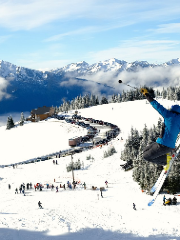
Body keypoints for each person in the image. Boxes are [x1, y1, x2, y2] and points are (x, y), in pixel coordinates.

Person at [141, 88, 180, 170]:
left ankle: (166, 161)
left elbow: (157, 106)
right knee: (145, 150)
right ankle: (168, 154)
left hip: (163, 145)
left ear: (172, 110)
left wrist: (147, 95)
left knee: (146, 156)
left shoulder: (169, 115)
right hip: (164, 144)